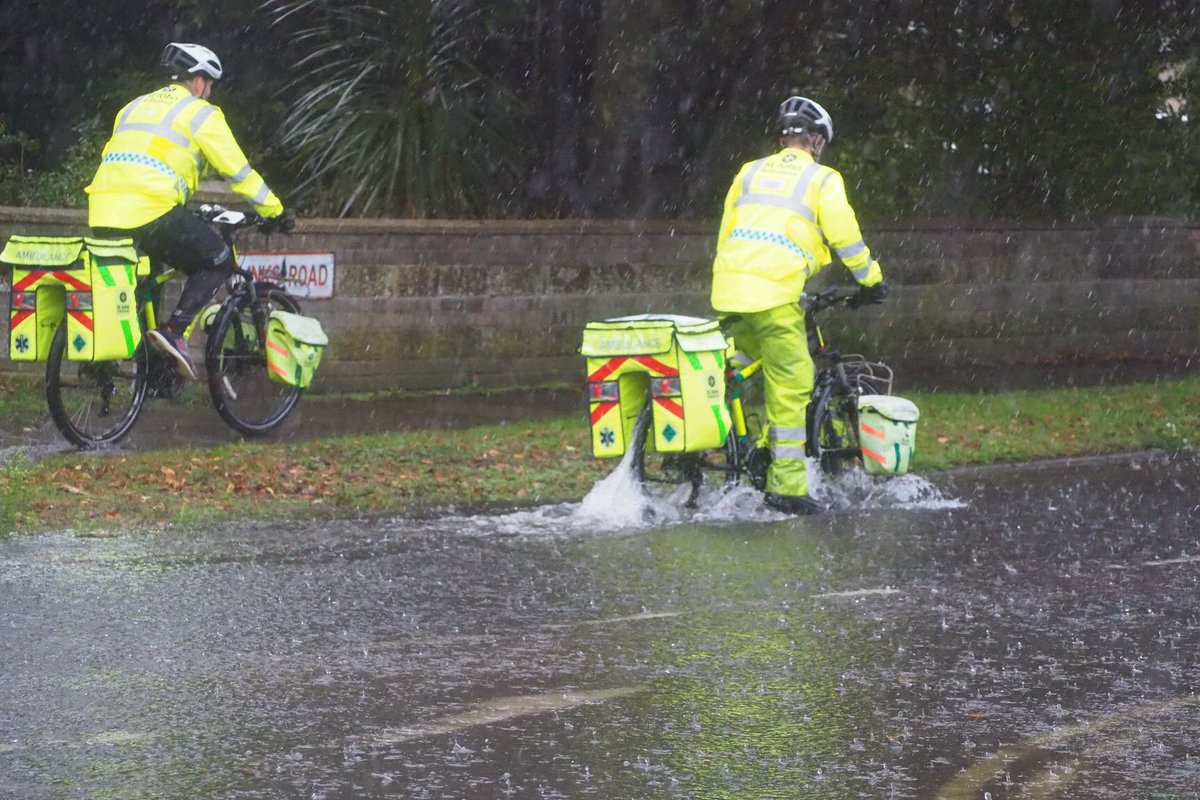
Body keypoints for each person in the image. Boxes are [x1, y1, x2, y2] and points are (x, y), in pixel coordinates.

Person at [711, 95, 888, 515]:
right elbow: (845, 236)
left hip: (731, 289)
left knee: (736, 363)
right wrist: (872, 279)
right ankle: (786, 485)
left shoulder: (748, 172)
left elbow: (726, 233)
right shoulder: (821, 179)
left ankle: (723, 442)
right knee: (792, 381)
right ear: (815, 140)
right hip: (774, 295)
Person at [86, 42, 295, 380]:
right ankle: (174, 332)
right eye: (209, 86)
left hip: (103, 210)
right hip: (150, 210)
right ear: (199, 82)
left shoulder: (132, 107)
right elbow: (238, 172)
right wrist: (275, 211)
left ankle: (143, 365)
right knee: (218, 260)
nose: (208, 93)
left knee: (144, 280)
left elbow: (137, 161)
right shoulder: (200, 113)